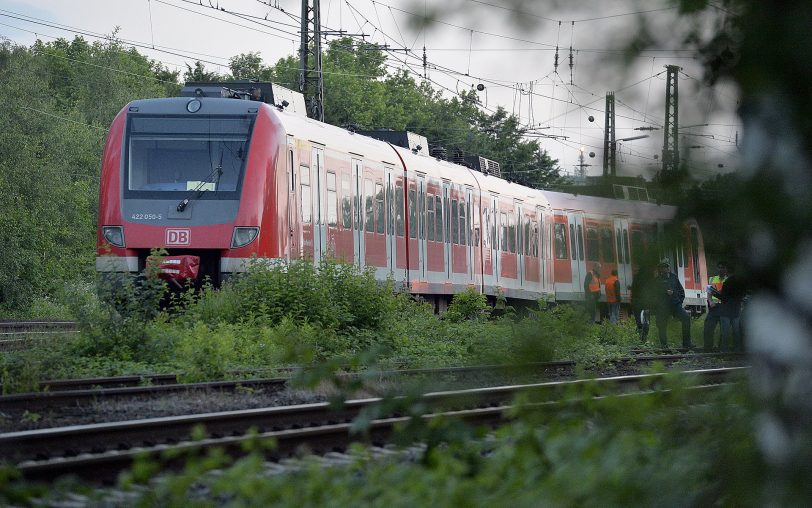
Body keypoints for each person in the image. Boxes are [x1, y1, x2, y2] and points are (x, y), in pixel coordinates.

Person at [654, 259, 693, 349]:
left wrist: (679, 301)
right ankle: (664, 345)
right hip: (663, 307)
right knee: (661, 324)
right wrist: (664, 293)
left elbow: (681, 291)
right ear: (660, 269)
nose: (666, 268)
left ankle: (686, 343)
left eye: (667, 266)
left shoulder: (674, 277)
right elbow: (654, 294)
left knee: (686, 318)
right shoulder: (657, 280)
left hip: (675, 305)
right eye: (664, 267)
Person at [709, 268, 747, 352]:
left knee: (725, 332)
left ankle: (724, 350)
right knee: (736, 332)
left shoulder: (727, 283)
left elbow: (724, 297)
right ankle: (737, 350)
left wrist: (714, 293)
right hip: (736, 311)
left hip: (725, 311)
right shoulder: (741, 285)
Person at [703, 261, 729, 352]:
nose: (721, 269)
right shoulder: (712, 279)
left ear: (726, 269)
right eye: (719, 267)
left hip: (724, 308)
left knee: (724, 329)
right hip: (714, 307)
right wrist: (710, 302)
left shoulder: (729, 280)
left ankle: (721, 348)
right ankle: (708, 348)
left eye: (723, 267)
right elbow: (709, 292)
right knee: (708, 327)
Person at [630, 262, 656, 342]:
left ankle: (640, 336)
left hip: (637, 302)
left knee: (639, 321)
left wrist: (633, 301)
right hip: (646, 303)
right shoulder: (650, 279)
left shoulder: (636, 277)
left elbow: (633, 290)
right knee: (646, 321)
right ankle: (644, 338)